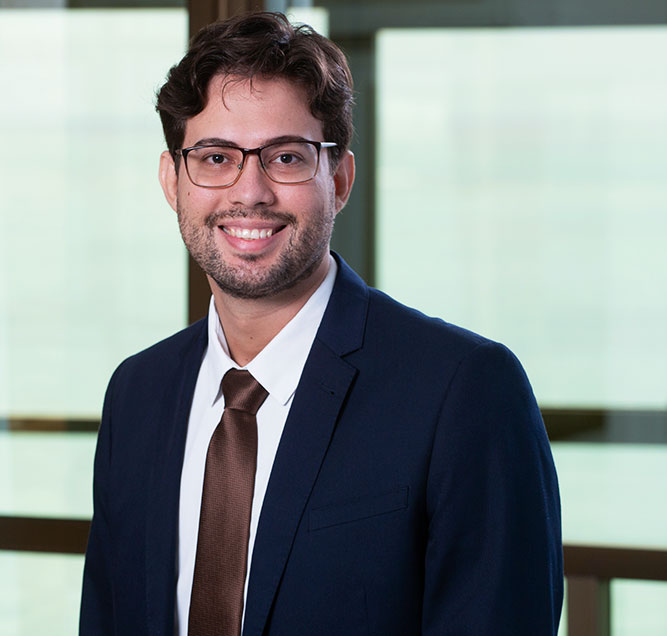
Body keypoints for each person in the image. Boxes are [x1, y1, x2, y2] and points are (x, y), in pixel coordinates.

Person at [80, 11, 562, 636]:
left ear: (339, 178)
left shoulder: (464, 391)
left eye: (285, 157)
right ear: (173, 181)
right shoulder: (137, 394)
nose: (249, 191)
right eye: (216, 157)